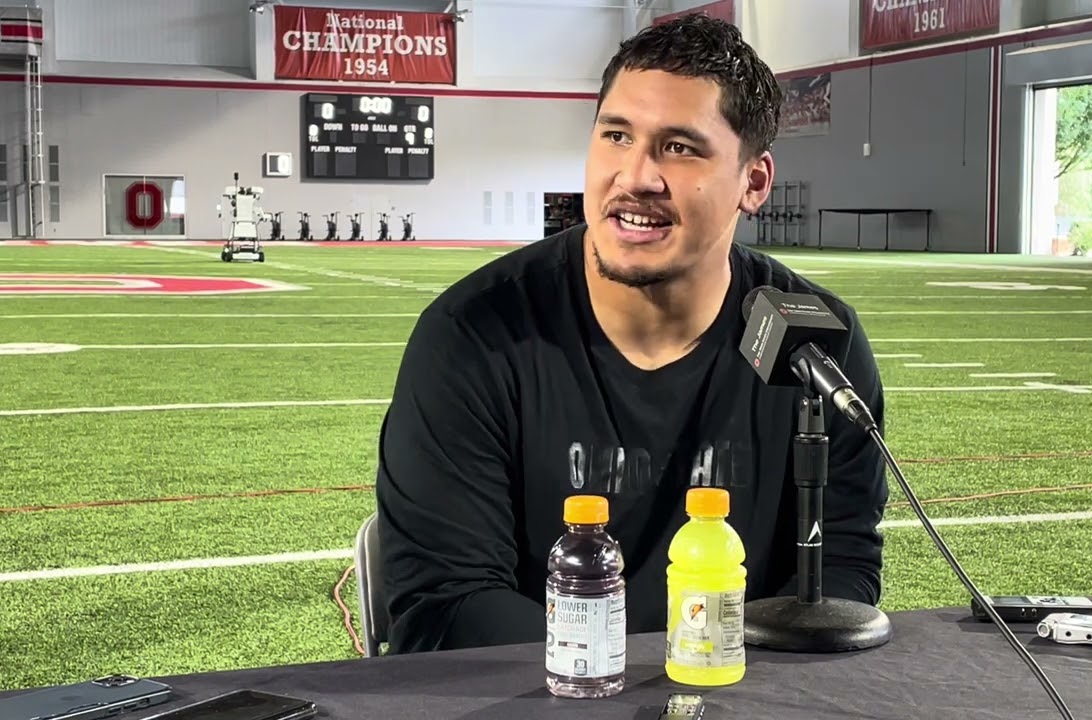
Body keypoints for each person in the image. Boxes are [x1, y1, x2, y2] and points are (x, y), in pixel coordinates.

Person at [374, 14, 889, 654]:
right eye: (616, 135)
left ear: (753, 182)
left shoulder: (816, 350)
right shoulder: (473, 337)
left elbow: (837, 577)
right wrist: (632, 683)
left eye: (679, 147)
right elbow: (446, 607)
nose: (637, 175)